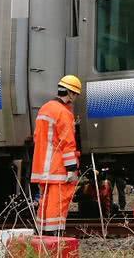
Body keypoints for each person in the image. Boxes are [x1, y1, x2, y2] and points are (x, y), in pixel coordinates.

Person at [30, 75, 82, 235]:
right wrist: (72, 169)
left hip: (42, 168)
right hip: (57, 169)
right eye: (76, 95)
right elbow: (67, 143)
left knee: (44, 202)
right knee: (57, 203)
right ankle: (55, 236)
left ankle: (43, 235)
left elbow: (38, 137)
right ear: (71, 93)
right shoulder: (63, 113)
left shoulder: (45, 108)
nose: (75, 99)